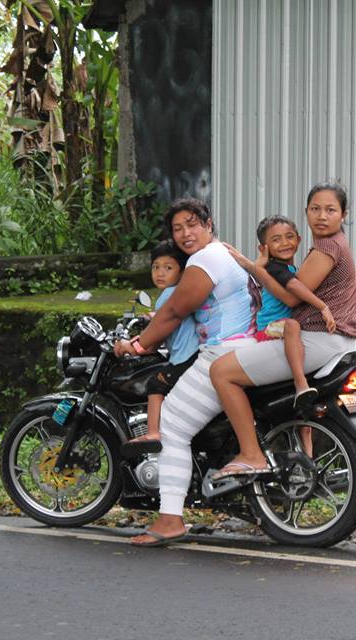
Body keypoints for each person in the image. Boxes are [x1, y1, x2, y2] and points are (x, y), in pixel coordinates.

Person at [113, 197, 258, 547]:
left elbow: (175, 311)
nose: (185, 233)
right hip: (241, 348)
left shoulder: (206, 259)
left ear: (209, 224)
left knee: (172, 426)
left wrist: (137, 346)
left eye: (192, 224)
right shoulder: (221, 253)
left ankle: (169, 520)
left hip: (222, 353)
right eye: (177, 228)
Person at [208, 182, 356, 481]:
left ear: (343, 214)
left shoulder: (327, 248)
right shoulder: (334, 244)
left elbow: (291, 296)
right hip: (333, 341)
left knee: (220, 371)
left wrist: (252, 266)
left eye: (330, 210)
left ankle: (250, 454)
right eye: (315, 209)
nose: (322, 216)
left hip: (318, 339)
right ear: (305, 212)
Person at [120, 240, 199, 458]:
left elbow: (154, 342)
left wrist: (131, 347)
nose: (160, 273)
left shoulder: (167, 296)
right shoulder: (178, 293)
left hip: (186, 358)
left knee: (155, 384)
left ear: (181, 272)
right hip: (194, 355)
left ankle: (153, 433)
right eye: (156, 267)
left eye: (168, 267)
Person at [251, 216, 337, 410]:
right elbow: (294, 287)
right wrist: (323, 307)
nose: (284, 243)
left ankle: (307, 440)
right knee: (293, 325)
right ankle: (300, 384)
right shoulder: (273, 268)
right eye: (276, 239)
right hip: (268, 328)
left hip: (285, 330)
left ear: (298, 240)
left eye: (289, 237)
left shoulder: (294, 269)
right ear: (263, 248)